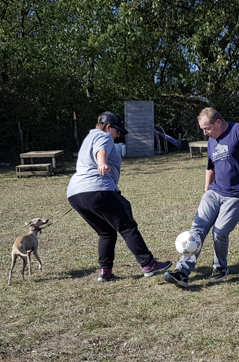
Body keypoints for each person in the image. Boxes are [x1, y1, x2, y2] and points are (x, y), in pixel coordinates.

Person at [163, 107, 239, 288]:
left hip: (237, 195)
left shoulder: (237, 130)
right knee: (196, 230)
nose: (204, 133)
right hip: (215, 192)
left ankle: (220, 268)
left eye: (207, 128)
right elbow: (210, 167)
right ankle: (182, 272)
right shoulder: (212, 140)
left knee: (219, 233)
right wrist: (206, 192)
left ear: (218, 122)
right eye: (202, 129)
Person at [67, 111, 171, 281]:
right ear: (108, 127)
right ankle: (148, 264)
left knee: (106, 232)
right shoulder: (103, 136)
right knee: (127, 225)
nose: (118, 135)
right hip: (97, 188)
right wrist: (102, 163)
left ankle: (105, 272)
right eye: (117, 131)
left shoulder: (88, 138)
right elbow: (100, 150)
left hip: (76, 194)